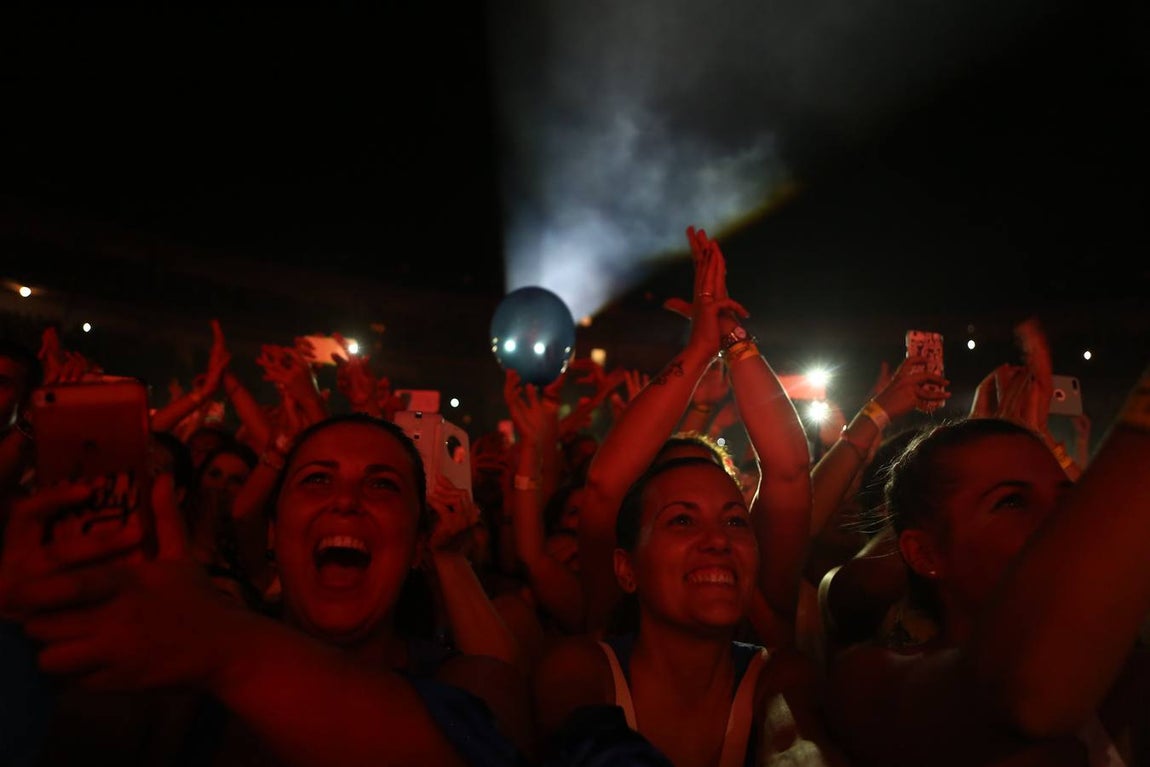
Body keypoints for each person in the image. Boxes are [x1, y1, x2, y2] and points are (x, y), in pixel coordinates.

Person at [0, 413, 533, 766]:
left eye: (381, 485)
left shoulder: (474, 682)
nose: (345, 501)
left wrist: (224, 643)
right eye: (317, 479)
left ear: (419, 543)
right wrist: (29, 624)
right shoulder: (180, 701)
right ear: (275, 533)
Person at [529, 225, 846, 766]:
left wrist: (734, 343)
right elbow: (605, 488)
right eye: (680, 520)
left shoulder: (780, 674)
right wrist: (699, 349)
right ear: (626, 567)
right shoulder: (584, 665)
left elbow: (790, 473)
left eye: (733, 520)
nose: (716, 541)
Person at [820, 363, 1150, 766]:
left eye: (1067, 501)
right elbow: (1025, 695)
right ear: (925, 554)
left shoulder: (1127, 670)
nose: (1061, 524)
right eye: (1011, 501)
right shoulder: (867, 679)